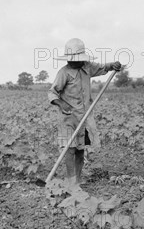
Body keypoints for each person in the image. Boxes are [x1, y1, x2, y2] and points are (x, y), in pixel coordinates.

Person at [48, 38, 121, 188]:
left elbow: (103, 67)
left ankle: (78, 180)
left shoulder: (87, 67)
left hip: (85, 117)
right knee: (69, 149)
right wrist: (61, 103)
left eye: (78, 59)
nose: (75, 62)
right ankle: (70, 180)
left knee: (80, 149)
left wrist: (112, 65)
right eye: (72, 60)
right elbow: (52, 92)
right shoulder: (64, 73)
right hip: (68, 118)